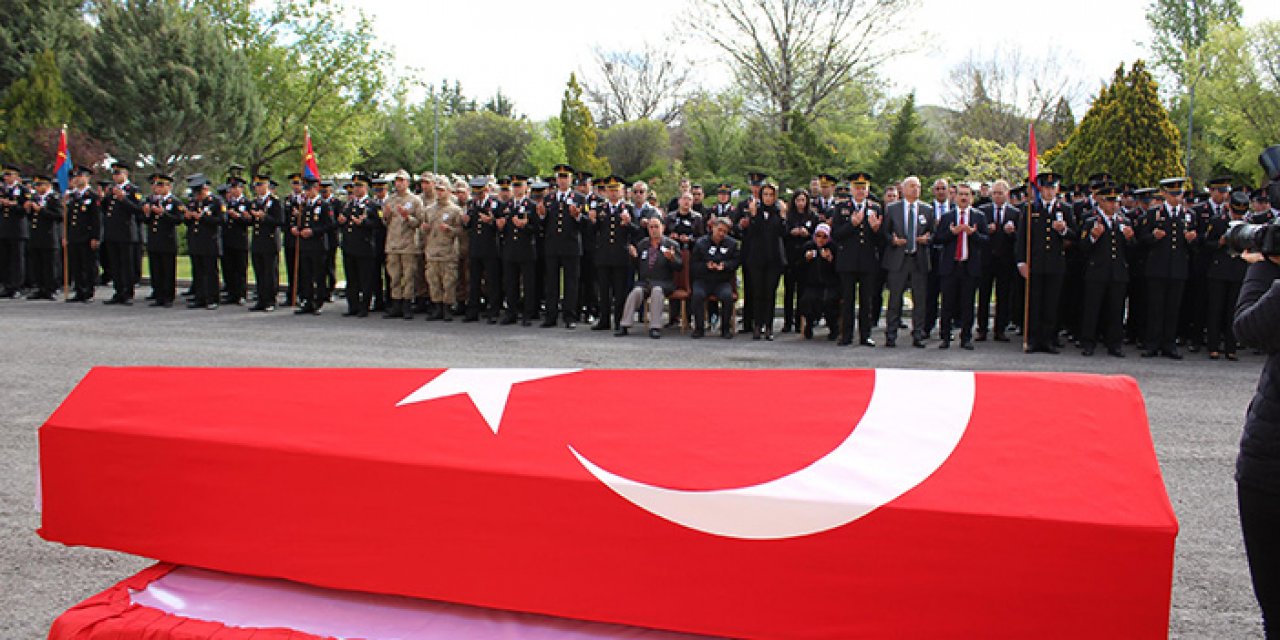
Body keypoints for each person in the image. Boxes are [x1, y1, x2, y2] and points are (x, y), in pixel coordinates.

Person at [1017, 171, 1073, 354]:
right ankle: (1033, 339)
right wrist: (1021, 262)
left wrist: (1064, 230)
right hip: (1036, 262)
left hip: (1055, 264)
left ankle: (1048, 339)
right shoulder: (1030, 209)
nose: (1049, 192)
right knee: (1034, 302)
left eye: (1052, 188)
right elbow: (1022, 239)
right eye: (1046, 188)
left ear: (1057, 189)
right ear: (1040, 189)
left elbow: (1075, 235)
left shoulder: (1065, 209)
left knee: (1051, 303)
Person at [1140, 177, 1195, 359]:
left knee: (1173, 308)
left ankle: (1169, 344)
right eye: (1172, 194)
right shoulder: (1155, 213)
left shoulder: (1188, 215)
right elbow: (1142, 238)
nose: (1176, 197)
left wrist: (1191, 240)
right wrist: (1153, 236)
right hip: (1158, 267)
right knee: (1156, 308)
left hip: (1178, 267)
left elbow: (1195, 244)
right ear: (1164, 194)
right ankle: (1152, 343)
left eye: (1179, 194)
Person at [1077, 185, 1134, 357]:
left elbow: (1131, 250)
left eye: (1115, 200)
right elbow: (1082, 248)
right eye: (1109, 201)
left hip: (1117, 272)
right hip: (1097, 271)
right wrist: (1093, 237)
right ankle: (1088, 342)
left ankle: (1114, 344)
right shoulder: (1091, 221)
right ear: (1100, 202)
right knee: (1092, 309)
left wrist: (1130, 239)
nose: (1113, 204)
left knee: (1116, 310)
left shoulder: (1124, 221)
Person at [881, 176, 935, 348]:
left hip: (918, 260)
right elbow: (885, 233)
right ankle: (891, 335)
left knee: (920, 300)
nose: (915, 190)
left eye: (918, 187)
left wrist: (927, 238)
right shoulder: (892, 209)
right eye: (912, 186)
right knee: (894, 299)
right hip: (899, 259)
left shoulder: (927, 209)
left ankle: (918, 334)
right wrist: (893, 240)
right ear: (903, 190)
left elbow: (933, 233)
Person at [933, 183, 988, 349]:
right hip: (950, 266)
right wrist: (952, 233)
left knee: (967, 304)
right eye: (961, 194)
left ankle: (966, 338)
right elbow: (937, 239)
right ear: (955, 197)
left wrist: (973, 234)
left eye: (967, 195)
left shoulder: (979, 216)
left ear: (972, 198)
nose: (963, 198)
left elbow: (986, 241)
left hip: (969, 266)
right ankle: (945, 337)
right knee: (947, 304)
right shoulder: (948, 217)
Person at [831, 172, 883, 347]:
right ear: (851, 190)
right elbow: (835, 235)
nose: (860, 191)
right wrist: (851, 224)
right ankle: (846, 335)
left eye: (863, 188)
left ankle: (865, 335)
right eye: (857, 188)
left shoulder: (875, 208)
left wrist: (876, 229)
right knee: (847, 300)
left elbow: (881, 240)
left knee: (866, 301)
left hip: (868, 261)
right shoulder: (841, 208)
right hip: (848, 261)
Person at [616, 215, 683, 339]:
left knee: (657, 291)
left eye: (656, 226)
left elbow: (679, 267)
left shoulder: (671, 244)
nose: (653, 230)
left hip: (664, 282)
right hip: (645, 282)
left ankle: (655, 327)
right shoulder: (643, 244)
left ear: (663, 227)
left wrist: (672, 258)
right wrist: (634, 257)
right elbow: (637, 267)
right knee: (635, 292)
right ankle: (624, 325)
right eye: (651, 227)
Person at [1202, 190, 1250, 360]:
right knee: (1215, 309)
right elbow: (1206, 244)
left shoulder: (1249, 224)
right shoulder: (1218, 221)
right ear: (1229, 208)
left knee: (1233, 310)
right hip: (1219, 269)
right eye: (1236, 212)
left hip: (1238, 270)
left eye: (1241, 213)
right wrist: (1219, 242)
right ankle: (1213, 346)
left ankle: (1231, 347)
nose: (1238, 216)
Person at [591, 175, 639, 331]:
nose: (613, 193)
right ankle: (604, 319)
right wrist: (592, 221)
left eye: (616, 190)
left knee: (620, 290)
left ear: (622, 192)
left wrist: (628, 223)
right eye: (610, 190)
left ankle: (619, 320)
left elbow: (637, 231)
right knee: (604, 290)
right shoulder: (600, 208)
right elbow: (593, 231)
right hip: (604, 254)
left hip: (620, 255)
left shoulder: (628, 208)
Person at [541, 164, 586, 329]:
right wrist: (541, 216)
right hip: (553, 245)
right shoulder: (549, 198)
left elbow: (586, 225)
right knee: (551, 282)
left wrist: (577, 216)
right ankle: (550, 316)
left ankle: (570, 316)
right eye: (560, 177)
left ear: (571, 179)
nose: (562, 180)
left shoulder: (580, 198)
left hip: (571, 245)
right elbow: (543, 224)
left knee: (571, 283)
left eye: (565, 177)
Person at [741, 182, 787, 340]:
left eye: (771, 195)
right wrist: (753, 216)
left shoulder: (778, 212)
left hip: (774, 259)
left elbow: (783, 232)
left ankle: (769, 326)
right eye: (765, 194)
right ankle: (757, 325)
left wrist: (783, 216)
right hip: (757, 259)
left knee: (770, 293)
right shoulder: (756, 211)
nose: (768, 198)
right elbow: (751, 233)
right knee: (758, 293)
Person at [977, 180, 1019, 342]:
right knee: (984, 295)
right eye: (994, 193)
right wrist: (987, 231)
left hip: (1005, 260)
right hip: (986, 259)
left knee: (1003, 295)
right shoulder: (982, 211)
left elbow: (1020, 239)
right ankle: (982, 329)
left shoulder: (1014, 213)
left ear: (1007, 194)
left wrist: (1012, 232)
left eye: (1000, 193)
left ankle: (1000, 329)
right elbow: (977, 235)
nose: (997, 196)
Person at [381, 170, 423, 320]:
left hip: (408, 244)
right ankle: (396, 304)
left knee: (409, 275)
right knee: (394, 275)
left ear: (408, 182)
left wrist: (407, 217)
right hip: (393, 243)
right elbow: (385, 222)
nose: (398, 183)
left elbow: (419, 222)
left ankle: (407, 304)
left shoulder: (415, 200)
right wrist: (385, 215)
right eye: (397, 181)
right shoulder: (390, 200)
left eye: (402, 180)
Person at [338, 174, 381, 317]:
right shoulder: (349, 204)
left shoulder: (372, 205)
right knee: (352, 279)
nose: (356, 189)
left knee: (365, 279)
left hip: (365, 247)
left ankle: (364, 307)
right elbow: (344, 222)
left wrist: (363, 223)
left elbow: (378, 225)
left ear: (366, 188)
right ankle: (353, 306)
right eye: (355, 186)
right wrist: (342, 221)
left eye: (359, 186)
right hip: (349, 246)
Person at [289, 176, 334, 315]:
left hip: (318, 245)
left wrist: (313, 231)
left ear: (316, 189)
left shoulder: (324, 205)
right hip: (305, 245)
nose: (306, 192)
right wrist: (296, 228)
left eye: (309, 189)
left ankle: (318, 302)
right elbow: (300, 221)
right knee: (306, 275)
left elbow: (330, 225)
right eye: (305, 189)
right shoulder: (304, 205)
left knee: (319, 275)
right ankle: (307, 301)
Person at [690, 217, 740, 339]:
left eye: (725, 231)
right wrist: (706, 266)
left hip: (721, 281)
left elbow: (736, 262)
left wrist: (725, 266)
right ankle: (699, 328)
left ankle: (725, 328)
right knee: (697, 295)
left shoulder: (732, 244)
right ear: (713, 228)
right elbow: (694, 265)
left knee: (727, 296)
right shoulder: (700, 243)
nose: (722, 233)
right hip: (703, 280)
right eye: (719, 230)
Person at [500, 175, 540, 326]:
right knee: (511, 283)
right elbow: (503, 229)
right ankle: (511, 312)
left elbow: (537, 228)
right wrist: (500, 227)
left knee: (528, 284)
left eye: (519, 186)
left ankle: (527, 314)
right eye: (514, 186)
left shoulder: (532, 205)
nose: (517, 189)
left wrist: (525, 226)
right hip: (510, 249)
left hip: (526, 249)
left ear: (526, 188)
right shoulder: (507, 205)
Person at [462, 176, 502, 323]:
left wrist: (491, 222)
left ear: (486, 190)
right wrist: (465, 223)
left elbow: (500, 226)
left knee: (492, 281)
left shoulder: (495, 204)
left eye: (480, 192)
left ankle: (493, 310)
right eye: (475, 193)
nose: (477, 196)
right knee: (474, 281)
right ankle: (473, 310)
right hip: (475, 247)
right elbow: (469, 225)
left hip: (490, 247)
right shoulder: (471, 204)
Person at [421, 177, 462, 321]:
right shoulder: (428, 210)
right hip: (432, 251)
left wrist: (450, 229)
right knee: (433, 281)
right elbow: (423, 228)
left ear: (449, 192)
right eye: (437, 190)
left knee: (449, 282)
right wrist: (424, 229)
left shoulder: (455, 210)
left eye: (442, 190)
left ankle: (447, 308)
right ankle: (437, 307)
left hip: (448, 252)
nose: (439, 193)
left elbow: (460, 231)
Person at [99, 174, 143, 305]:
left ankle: (128, 293)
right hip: (112, 233)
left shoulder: (133, 190)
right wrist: (103, 198)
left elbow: (138, 209)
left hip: (126, 233)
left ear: (125, 174)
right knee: (115, 264)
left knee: (126, 264)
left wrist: (123, 199)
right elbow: (105, 209)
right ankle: (118, 291)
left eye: (118, 173)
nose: (115, 176)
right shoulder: (112, 190)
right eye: (114, 174)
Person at [781, 189, 817, 333]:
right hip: (790, 255)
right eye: (798, 200)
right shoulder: (789, 216)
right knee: (789, 291)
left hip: (805, 255)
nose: (800, 203)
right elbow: (782, 232)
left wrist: (807, 233)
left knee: (802, 291)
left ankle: (799, 322)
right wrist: (791, 232)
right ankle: (787, 321)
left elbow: (818, 235)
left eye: (803, 200)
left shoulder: (812, 215)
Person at [64, 167, 101, 303]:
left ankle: (88, 291)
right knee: (76, 264)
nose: (77, 178)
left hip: (87, 235)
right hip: (74, 235)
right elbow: (68, 219)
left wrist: (95, 237)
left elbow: (96, 219)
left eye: (81, 176)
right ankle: (79, 290)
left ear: (87, 178)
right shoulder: (73, 196)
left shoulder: (92, 196)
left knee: (88, 264)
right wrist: (66, 236)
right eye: (76, 176)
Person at [23, 174, 62, 300]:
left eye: (40, 185)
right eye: (37, 186)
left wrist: (41, 210)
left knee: (49, 264)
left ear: (48, 185)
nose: (38, 188)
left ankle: (50, 288)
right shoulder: (35, 197)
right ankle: (40, 287)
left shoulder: (54, 198)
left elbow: (59, 216)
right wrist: (28, 210)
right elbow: (31, 218)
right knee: (38, 264)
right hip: (36, 234)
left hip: (49, 235)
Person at [247, 175, 283, 312]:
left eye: (260, 185)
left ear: (266, 186)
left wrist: (265, 217)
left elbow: (279, 221)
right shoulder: (255, 202)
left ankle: (270, 300)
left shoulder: (274, 202)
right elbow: (252, 221)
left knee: (270, 272)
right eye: (256, 185)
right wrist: (249, 218)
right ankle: (261, 299)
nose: (258, 188)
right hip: (257, 241)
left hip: (270, 241)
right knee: (259, 272)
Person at [798, 223, 840, 340]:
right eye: (818, 236)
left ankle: (833, 327)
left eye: (824, 237)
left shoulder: (833, 248)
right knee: (808, 300)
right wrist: (806, 259)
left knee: (829, 300)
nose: (820, 239)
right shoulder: (808, 246)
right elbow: (799, 268)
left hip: (830, 284)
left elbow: (839, 271)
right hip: (812, 284)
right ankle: (809, 325)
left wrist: (830, 260)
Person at [220, 176, 252, 305]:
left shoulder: (247, 203)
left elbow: (250, 221)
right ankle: (231, 293)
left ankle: (241, 294)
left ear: (241, 188)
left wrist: (238, 217)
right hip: (227, 239)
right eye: (231, 188)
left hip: (240, 240)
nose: (233, 191)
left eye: (235, 187)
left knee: (240, 268)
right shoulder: (226, 203)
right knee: (228, 268)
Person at [0, 164, 30, 298]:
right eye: (5, 175)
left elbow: (25, 210)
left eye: (9, 175)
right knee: (4, 259)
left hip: (17, 229)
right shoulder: (1, 190)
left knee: (17, 259)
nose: (6, 178)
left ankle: (16, 286)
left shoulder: (23, 190)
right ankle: (7, 286)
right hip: (3, 228)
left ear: (16, 176)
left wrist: (13, 205)